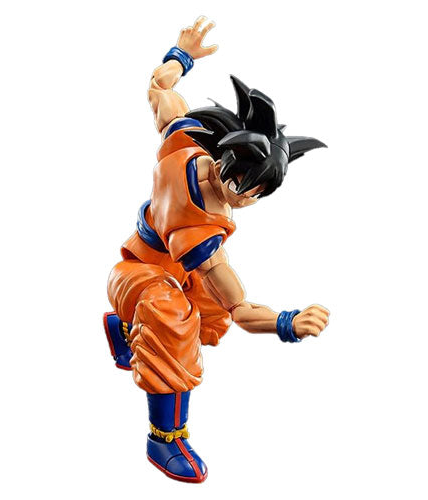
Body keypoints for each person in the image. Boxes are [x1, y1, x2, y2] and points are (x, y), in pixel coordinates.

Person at [104, 16, 330, 483]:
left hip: (165, 263)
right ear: (227, 161)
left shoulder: (184, 137)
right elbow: (241, 308)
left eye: (259, 193)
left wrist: (181, 55)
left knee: (207, 317)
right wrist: (287, 322)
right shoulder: (199, 227)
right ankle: (164, 437)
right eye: (243, 186)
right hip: (139, 275)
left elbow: (160, 87)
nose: (245, 200)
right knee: (175, 323)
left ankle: (124, 328)